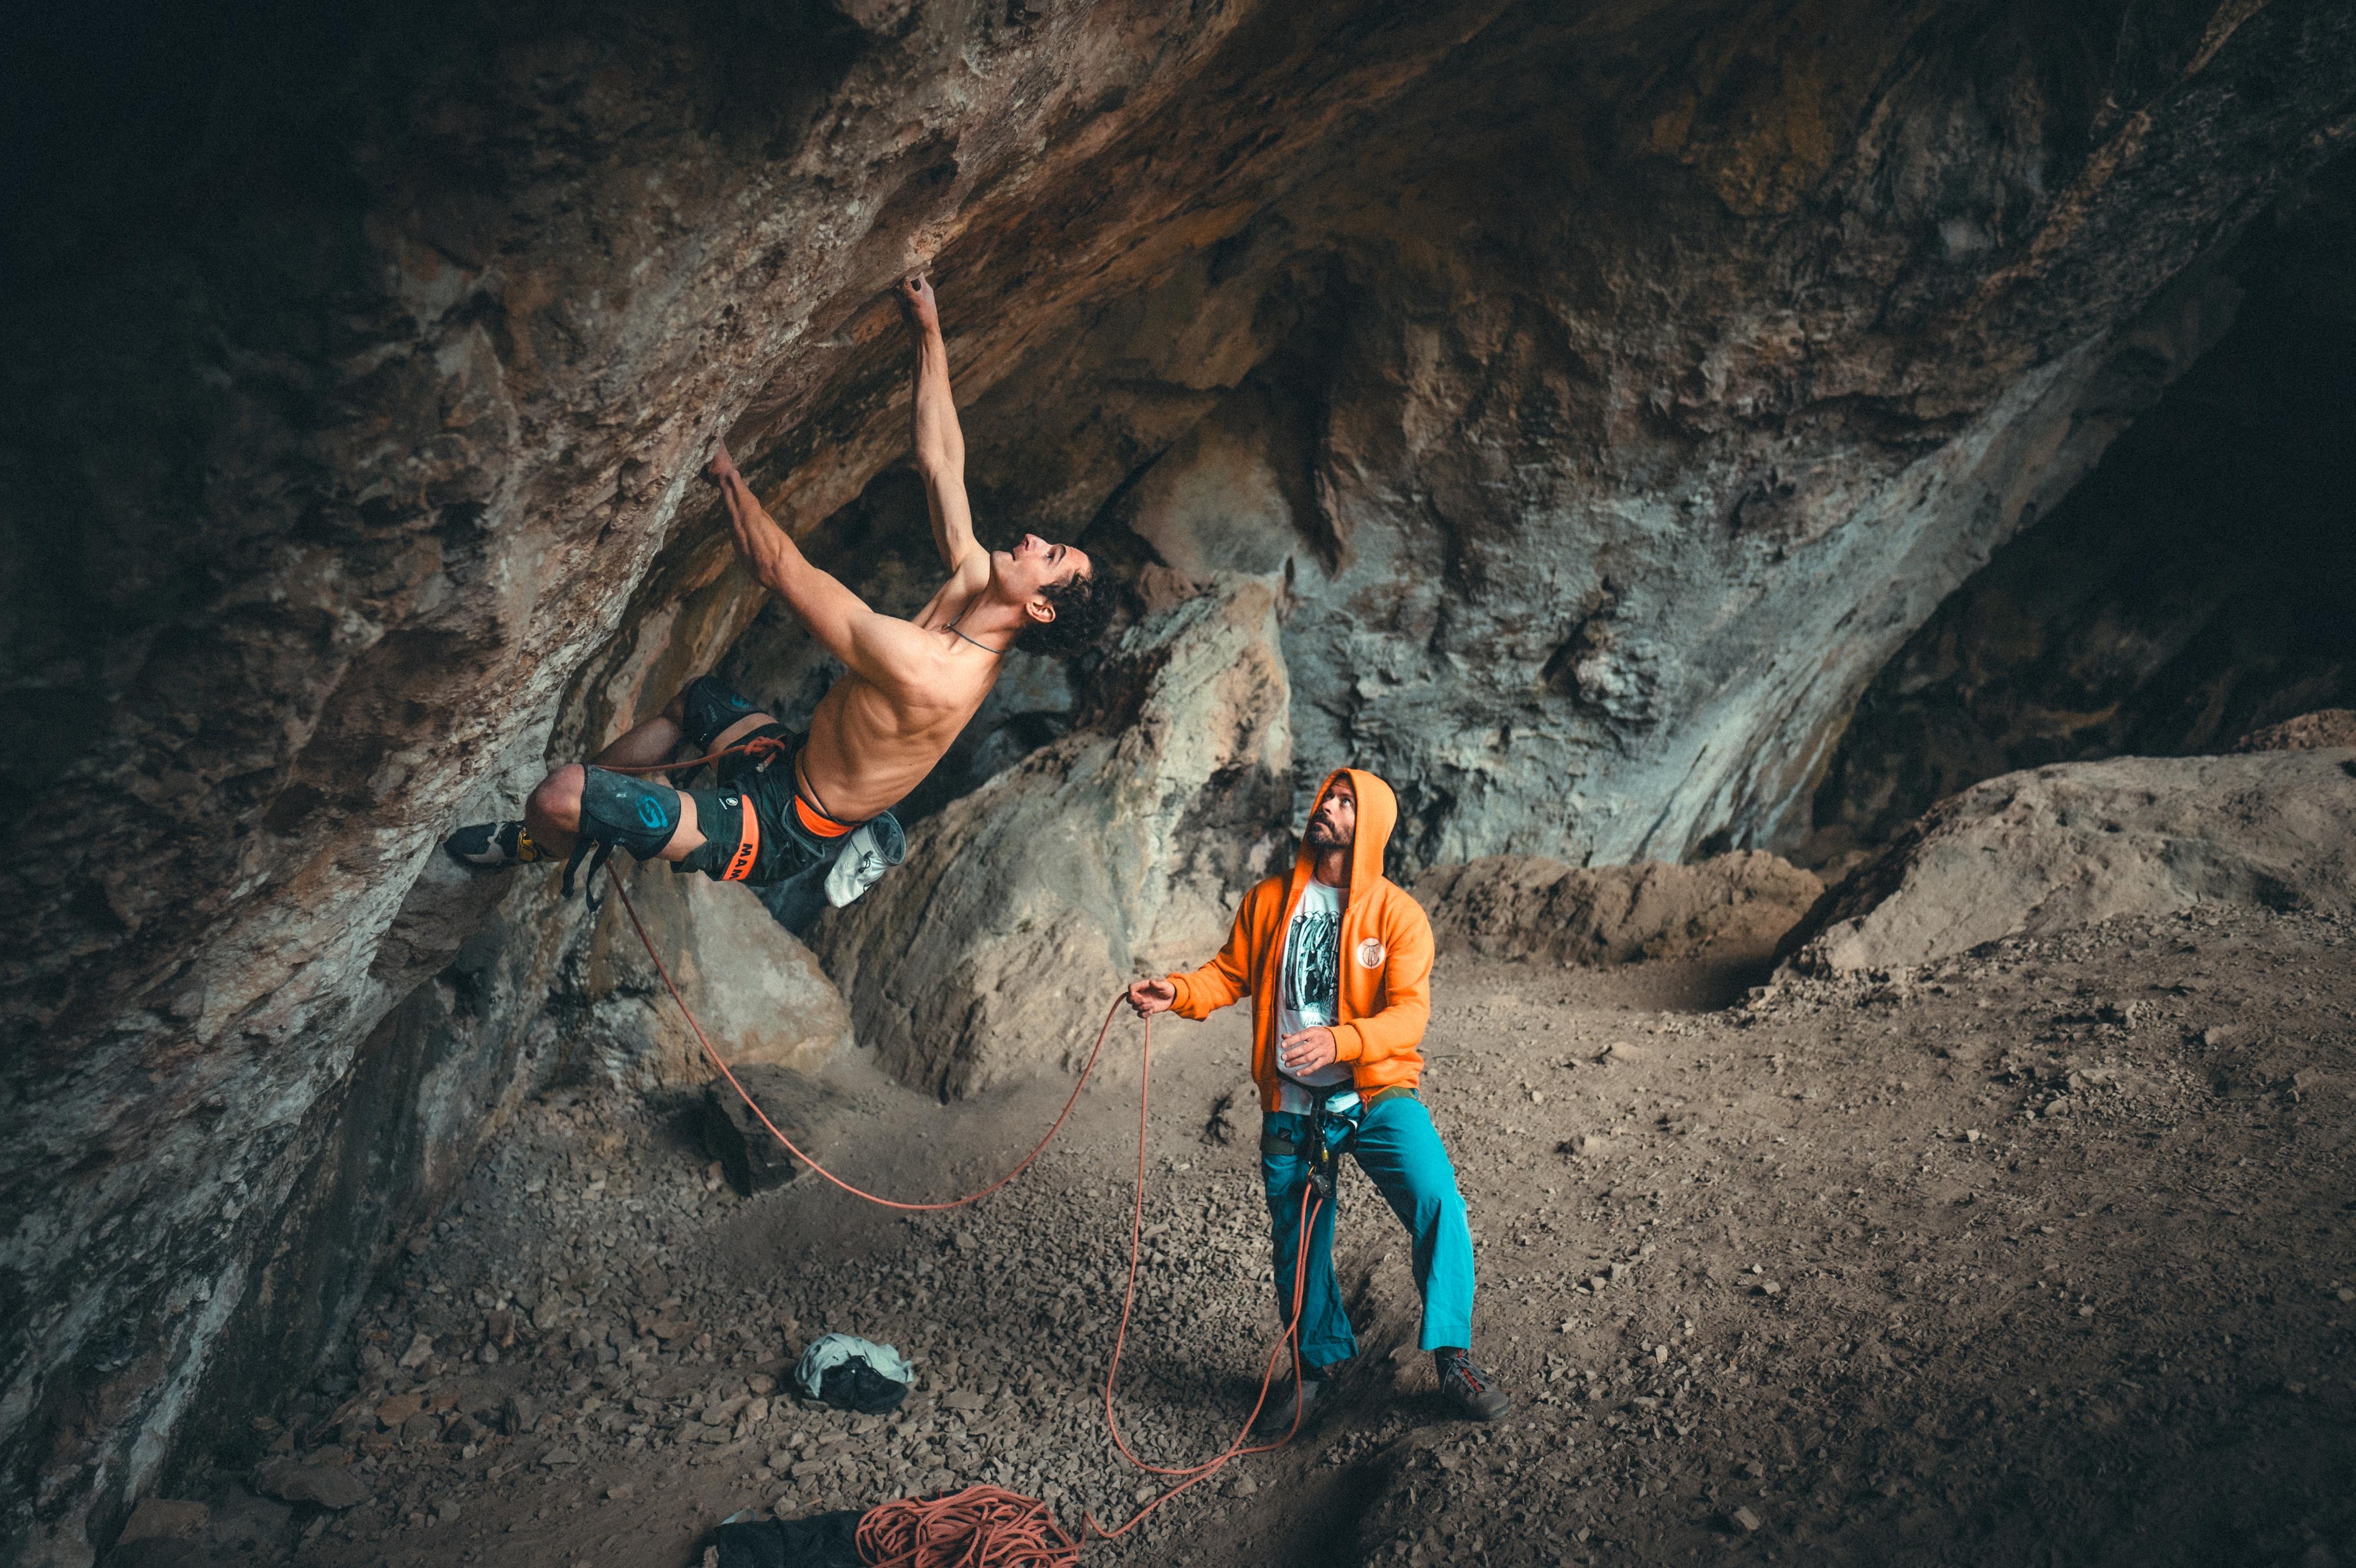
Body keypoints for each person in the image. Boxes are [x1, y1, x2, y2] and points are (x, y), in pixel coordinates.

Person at [445, 275, 1120, 924]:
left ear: (1039, 608)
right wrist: (928, 330)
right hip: (793, 760)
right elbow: (941, 460)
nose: (1035, 539)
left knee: (558, 795)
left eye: (1051, 555)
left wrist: (725, 473)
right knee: (697, 702)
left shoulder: (929, 671)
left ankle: (541, 839)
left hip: (777, 831)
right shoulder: (975, 582)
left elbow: (777, 569)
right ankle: (612, 804)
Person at [1126, 769, 1511, 1428]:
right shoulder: (1270, 899)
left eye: (1344, 802)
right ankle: (1316, 1367)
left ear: (1370, 828)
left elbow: (1409, 1015)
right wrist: (1179, 993)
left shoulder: (1398, 916)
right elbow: (1229, 973)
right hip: (1293, 1104)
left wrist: (1342, 1042)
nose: (1327, 808)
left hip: (1376, 1092)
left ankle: (1453, 1356)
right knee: (1297, 1238)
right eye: (1326, 798)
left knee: (1438, 1200)